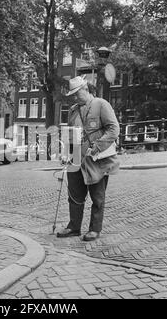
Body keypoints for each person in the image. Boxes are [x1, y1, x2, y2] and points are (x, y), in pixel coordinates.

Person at [57, 75, 120, 241]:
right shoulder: (72, 110)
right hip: (76, 158)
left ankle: (94, 229)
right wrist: (65, 153)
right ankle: (73, 227)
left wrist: (97, 146)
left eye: (77, 94)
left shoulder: (101, 104)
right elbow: (70, 134)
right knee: (74, 195)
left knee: (97, 197)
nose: (75, 98)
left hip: (97, 159)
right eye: (73, 95)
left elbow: (113, 129)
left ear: (86, 89)